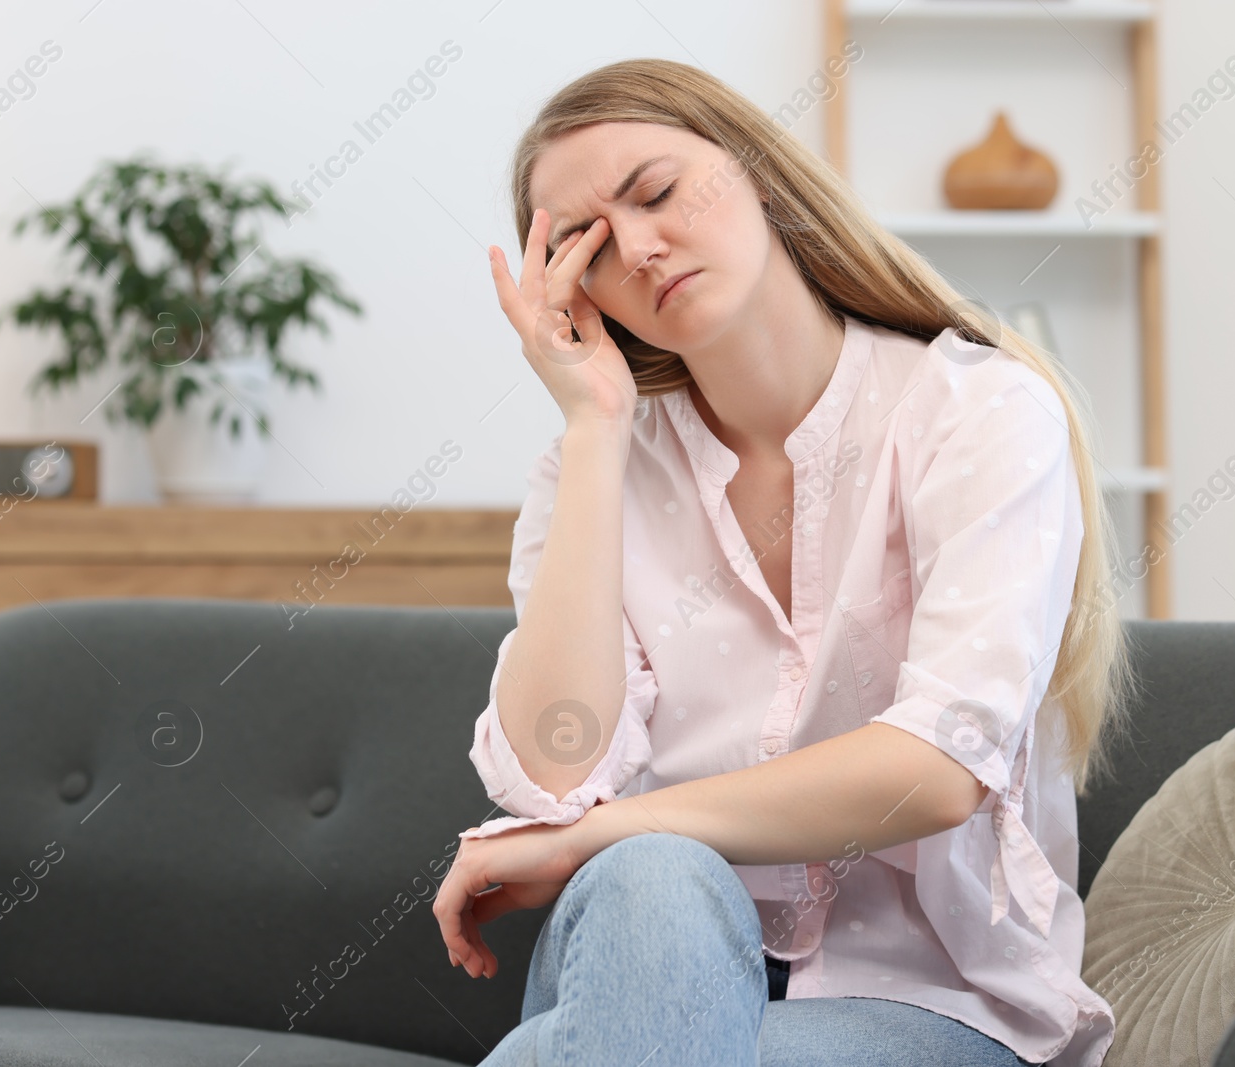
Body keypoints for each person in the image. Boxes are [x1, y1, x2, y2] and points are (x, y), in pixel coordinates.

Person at [430, 57, 1141, 1067]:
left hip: (928, 1000)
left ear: (756, 172)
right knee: (657, 877)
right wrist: (594, 429)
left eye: (658, 193)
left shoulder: (973, 415)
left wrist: (602, 831)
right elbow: (553, 776)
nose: (636, 247)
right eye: (588, 245)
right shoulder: (589, 469)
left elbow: (935, 768)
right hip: (643, 951)